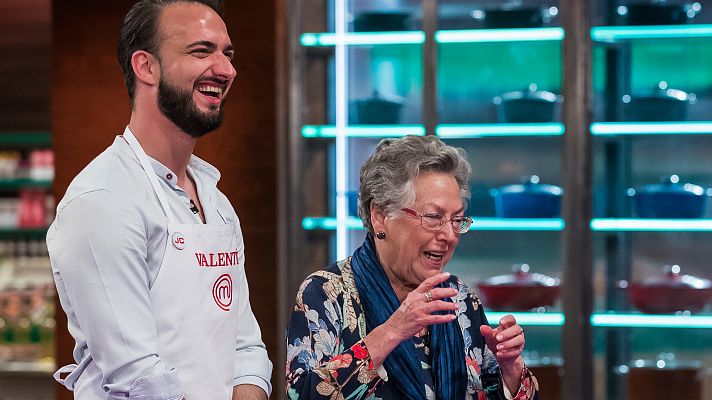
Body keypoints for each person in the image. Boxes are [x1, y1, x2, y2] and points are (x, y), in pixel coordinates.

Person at [47, 1, 272, 398]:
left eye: (228, 54)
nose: (226, 70)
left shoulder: (216, 201)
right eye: (202, 51)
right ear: (146, 67)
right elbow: (139, 379)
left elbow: (246, 349)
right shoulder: (103, 200)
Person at [285, 135, 539, 399]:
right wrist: (394, 330)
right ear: (381, 217)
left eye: (457, 220)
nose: (450, 236)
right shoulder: (325, 293)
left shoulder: (460, 300)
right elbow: (301, 395)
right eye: (433, 217)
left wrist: (510, 369)